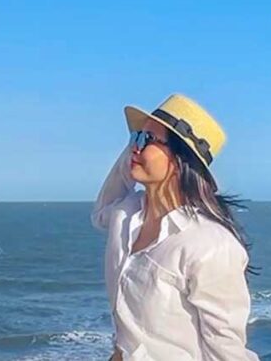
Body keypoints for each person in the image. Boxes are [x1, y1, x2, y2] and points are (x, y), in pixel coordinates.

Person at [91, 93, 259, 361]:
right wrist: (137, 146)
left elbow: (225, 350)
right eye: (136, 138)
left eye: (148, 141)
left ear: (181, 161)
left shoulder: (210, 244)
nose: (135, 147)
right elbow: (100, 211)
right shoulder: (126, 214)